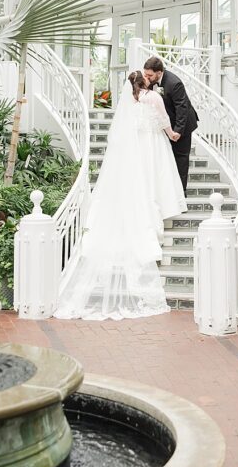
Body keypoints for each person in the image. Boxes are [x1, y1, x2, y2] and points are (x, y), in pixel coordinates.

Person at [54, 71, 186, 320]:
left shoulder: (128, 102)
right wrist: (171, 134)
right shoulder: (153, 98)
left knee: (139, 182)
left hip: (133, 150)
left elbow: (119, 134)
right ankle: (158, 208)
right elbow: (163, 119)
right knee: (155, 179)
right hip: (152, 145)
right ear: (144, 81)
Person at [142, 56, 199, 192]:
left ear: (159, 73)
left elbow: (182, 108)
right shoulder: (151, 81)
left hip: (182, 125)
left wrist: (178, 131)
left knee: (180, 159)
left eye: (149, 75)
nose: (147, 77)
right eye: (145, 74)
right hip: (166, 124)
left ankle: (181, 194)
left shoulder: (174, 83)